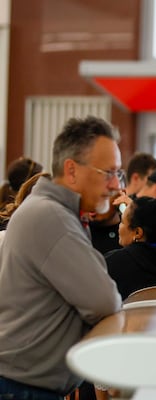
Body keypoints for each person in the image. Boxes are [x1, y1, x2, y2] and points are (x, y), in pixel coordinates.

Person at [0, 116, 122, 398]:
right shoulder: (51, 216)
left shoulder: (57, 212)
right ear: (71, 170)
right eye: (108, 172)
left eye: (119, 173)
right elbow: (104, 300)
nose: (116, 184)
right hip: (22, 388)